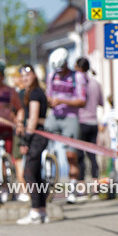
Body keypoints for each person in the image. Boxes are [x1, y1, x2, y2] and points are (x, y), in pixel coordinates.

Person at [44, 48, 86, 204]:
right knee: (42, 141)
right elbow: (49, 94)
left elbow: (82, 101)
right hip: (54, 115)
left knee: (71, 156)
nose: (59, 73)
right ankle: (47, 175)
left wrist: (62, 101)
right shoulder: (51, 75)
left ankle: (73, 189)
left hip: (70, 117)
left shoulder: (78, 77)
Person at [15, 64, 50, 224]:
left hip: (37, 135)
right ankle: (41, 211)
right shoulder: (33, 92)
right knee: (36, 174)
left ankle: (35, 211)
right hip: (38, 134)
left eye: (27, 76)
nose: (25, 79)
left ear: (34, 76)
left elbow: (33, 118)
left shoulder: (35, 93)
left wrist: (26, 139)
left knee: (28, 174)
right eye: (22, 77)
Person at [74, 57, 102, 199]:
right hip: (93, 122)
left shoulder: (78, 82)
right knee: (92, 156)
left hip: (80, 121)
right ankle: (95, 189)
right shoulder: (96, 83)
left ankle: (81, 189)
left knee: (79, 157)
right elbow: (101, 103)